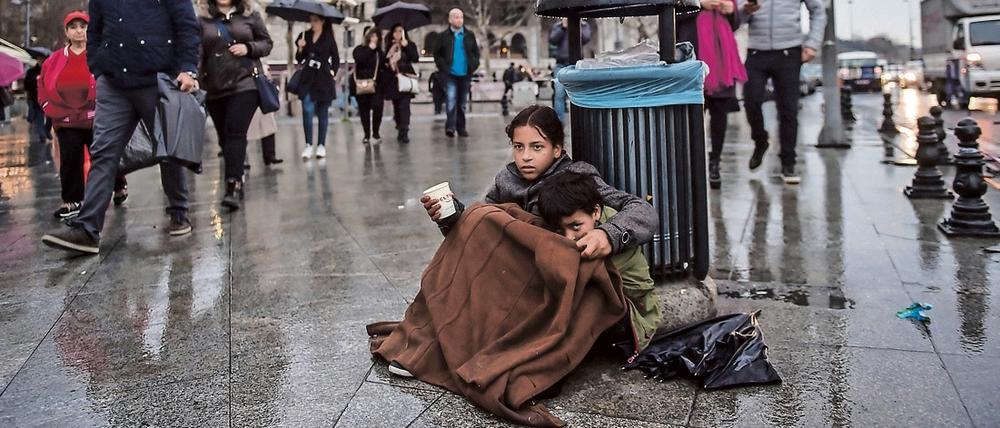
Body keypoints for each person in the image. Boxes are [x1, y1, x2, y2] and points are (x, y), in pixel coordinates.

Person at [41, 0, 201, 255]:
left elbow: (186, 26)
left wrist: (188, 69)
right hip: (114, 83)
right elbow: (95, 32)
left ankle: (179, 212)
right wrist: (98, 67)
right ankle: (88, 229)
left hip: (157, 78)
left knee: (168, 148)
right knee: (103, 152)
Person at [422, 105, 656, 260]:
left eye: (537, 147)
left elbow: (643, 210)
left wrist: (608, 235)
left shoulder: (577, 176)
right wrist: (453, 217)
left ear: (556, 149)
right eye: (518, 147)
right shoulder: (506, 179)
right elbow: (484, 228)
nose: (525, 157)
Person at [536, 171, 662, 352]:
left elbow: (578, 278)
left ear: (596, 212)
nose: (569, 237)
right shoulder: (581, 221)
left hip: (635, 317)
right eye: (560, 229)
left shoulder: (611, 234)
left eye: (575, 226)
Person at [38, 11, 129, 220]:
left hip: (97, 117)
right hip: (66, 119)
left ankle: (119, 185)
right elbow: (42, 84)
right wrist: (46, 106)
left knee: (103, 157)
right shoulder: (54, 60)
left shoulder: (100, 54)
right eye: (73, 27)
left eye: (83, 26)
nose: (79, 31)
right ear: (67, 32)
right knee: (70, 159)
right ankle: (72, 201)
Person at [196, 0, 273, 210]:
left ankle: (232, 185)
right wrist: (194, 77)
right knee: (224, 137)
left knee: (235, 132)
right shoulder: (202, 19)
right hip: (214, 86)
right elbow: (197, 52)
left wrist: (248, 47)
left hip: (245, 83)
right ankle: (236, 172)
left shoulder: (250, 14)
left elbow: (266, 43)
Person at [741, 0, 826, 184]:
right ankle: (760, 140)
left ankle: (788, 163)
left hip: (789, 51)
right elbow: (737, 18)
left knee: (788, 110)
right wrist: (745, 10)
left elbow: (818, 11)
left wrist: (812, 43)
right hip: (756, 51)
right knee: (751, 101)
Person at [677, 0, 746, 189]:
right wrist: (699, 3)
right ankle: (691, 164)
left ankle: (715, 161)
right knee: (692, 115)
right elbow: (672, 13)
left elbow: (736, 23)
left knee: (719, 112)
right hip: (694, 54)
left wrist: (731, 10)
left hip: (722, 57)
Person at [295, 14, 340, 159]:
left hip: (324, 78)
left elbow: (336, 58)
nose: (312, 23)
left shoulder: (328, 37)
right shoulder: (305, 35)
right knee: (307, 109)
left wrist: (333, 71)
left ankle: (321, 145)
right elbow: (299, 58)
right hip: (308, 77)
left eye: (315, 20)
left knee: (323, 112)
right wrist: (300, 48)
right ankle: (308, 144)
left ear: (322, 21)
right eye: (311, 20)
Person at [433, 8, 479, 138]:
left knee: (462, 103)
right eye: (457, 17)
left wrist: (473, 65)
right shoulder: (443, 36)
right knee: (451, 100)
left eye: (461, 17)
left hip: (465, 73)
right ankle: (451, 127)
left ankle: (461, 128)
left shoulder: (469, 35)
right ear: (450, 19)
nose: (460, 20)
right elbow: (437, 54)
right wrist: (443, 67)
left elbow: (476, 53)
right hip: (449, 74)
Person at [549, 18, 591, 125]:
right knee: (559, 94)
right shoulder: (558, 26)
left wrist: (577, 26)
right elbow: (553, 39)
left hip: (577, 64)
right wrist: (563, 27)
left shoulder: (583, 25)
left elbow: (586, 38)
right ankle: (559, 123)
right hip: (561, 64)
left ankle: (581, 122)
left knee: (579, 94)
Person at [383, 24, 419, 144]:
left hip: (405, 78)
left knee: (404, 105)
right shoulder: (389, 46)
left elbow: (415, 58)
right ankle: (399, 124)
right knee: (397, 106)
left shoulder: (409, 44)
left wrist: (407, 46)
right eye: (395, 32)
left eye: (400, 31)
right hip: (393, 79)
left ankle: (404, 130)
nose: (398, 34)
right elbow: (384, 60)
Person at [352, 28, 387, 145]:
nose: (374, 38)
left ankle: (376, 132)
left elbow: (384, 65)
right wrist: (369, 49)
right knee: (364, 110)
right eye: (371, 36)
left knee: (378, 108)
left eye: (376, 36)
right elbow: (360, 59)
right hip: (362, 84)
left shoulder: (379, 53)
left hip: (377, 85)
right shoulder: (359, 50)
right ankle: (366, 134)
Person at [24, 62, 53, 143]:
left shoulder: (51, 70)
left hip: (49, 98)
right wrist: (35, 79)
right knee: (39, 117)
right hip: (36, 99)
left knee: (51, 117)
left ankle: (46, 130)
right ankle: (42, 134)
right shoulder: (31, 71)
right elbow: (26, 85)